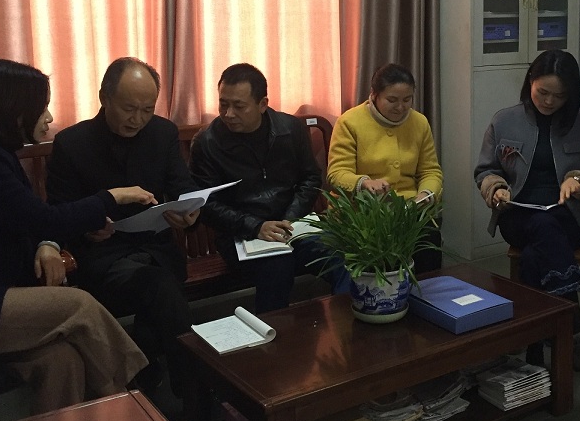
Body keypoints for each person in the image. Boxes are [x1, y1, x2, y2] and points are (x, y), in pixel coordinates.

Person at [0, 60, 150, 421]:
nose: (49, 117)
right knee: (79, 306)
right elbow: (43, 219)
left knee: (63, 360)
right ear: (13, 112)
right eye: (41, 108)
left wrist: (44, 246)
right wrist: (111, 197)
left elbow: (24, 223)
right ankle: (133, 408)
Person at [46, 57, 199, 399]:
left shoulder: (162, 133)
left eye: (147, 109)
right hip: (105, 257)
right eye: (129, 109)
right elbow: (58, 213)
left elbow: (182, 187)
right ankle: (193, 393)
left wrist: (189, 212)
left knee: (160, 289)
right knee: (162, 289)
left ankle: (150, 380)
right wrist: (86, 229)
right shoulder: (72, 143)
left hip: (156, 249)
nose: (138, 119)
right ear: (105, 97)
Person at [475, 50, 580, 369]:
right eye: (543, 92)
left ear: (572, 95)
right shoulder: (504, 120)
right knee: (540, 226)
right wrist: (496, 188)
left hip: (566, 215)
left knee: (534, 253)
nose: (550, 101)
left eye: (560, 96)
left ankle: (533, 341)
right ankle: (574, 324)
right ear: (530, 83)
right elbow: (485, 171)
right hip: (517, 213)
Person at [189, 63, 347, 311]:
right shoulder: (207, 142)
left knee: (342, 255)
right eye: (223, 104)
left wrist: (289, 219)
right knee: (277, 265)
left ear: (262, 104)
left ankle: (347, 325)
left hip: (292, 226)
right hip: (240, 235)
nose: (228, 113)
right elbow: (207, 204)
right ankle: (274, 333)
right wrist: (255, 226)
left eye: (239, 106)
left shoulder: (290, 129)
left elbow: (310, 178)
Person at [327, 63, 444, 271]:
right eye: (392, 100)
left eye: (407, 100)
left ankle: (426, 289)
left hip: (408, 209)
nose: (401, 107)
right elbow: (336, 174)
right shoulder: (349, 122)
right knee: (378, 253)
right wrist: (364, 183)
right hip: (362, 212)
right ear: (374, 95)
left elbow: (430, 171)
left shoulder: (419, 122)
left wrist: (425, 194)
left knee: (428, 240)